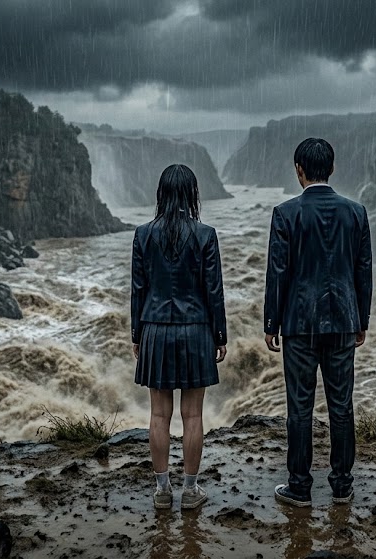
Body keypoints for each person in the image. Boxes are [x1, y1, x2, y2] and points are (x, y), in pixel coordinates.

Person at [263, 138, 373, 507]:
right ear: (332, 167)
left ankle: (300, 487)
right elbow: (363, 271)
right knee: (341, 405)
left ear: (299, 170)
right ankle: (342, 485)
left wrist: (271, 322)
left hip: (298, 323)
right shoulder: (355, 212)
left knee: (300, 406)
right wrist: (362, 319)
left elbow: (277, 273)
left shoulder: (285, 213)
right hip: (343, 319)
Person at [131, 164, 228, 511]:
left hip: (155, 328)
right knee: (193, 416)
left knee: (158, 415)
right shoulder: (205, 235)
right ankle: (190, 490)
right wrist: (219, 335)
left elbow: (138, 290)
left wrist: (136, 335)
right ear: (192, 194)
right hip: (195, 329)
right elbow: (213, 291)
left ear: (161, 194)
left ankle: (161, 491)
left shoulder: (143, 234)